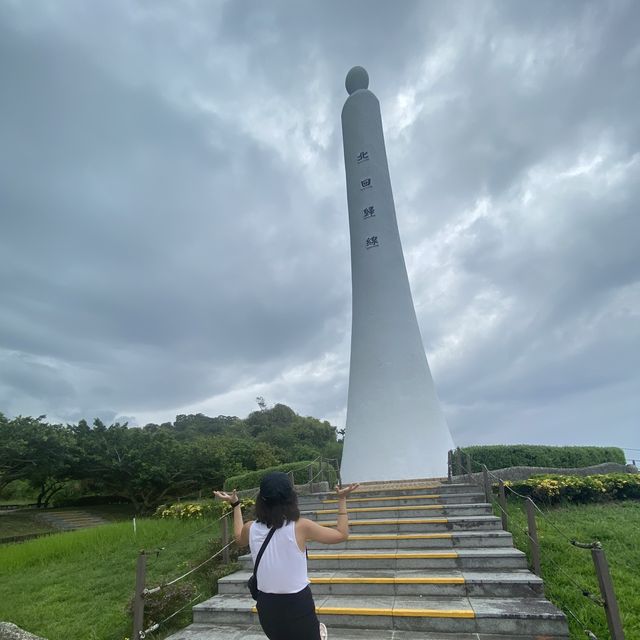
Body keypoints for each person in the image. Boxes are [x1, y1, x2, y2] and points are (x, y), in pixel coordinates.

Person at [215, 472, 360, 640]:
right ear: (291, 498)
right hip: (297, 605)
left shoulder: (251, 528)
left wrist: (235, 505)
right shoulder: (300, 526)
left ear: (261, 500)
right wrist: (342, 500)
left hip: (267, 606)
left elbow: (239, 539)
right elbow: (341, 534)